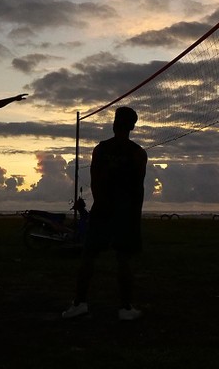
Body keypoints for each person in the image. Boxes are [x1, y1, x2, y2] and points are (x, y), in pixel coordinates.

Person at [63, 107, 148, 321]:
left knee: (89, 257)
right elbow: (139, 188)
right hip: (125, 212)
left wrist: (101, 206)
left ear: (114, 123)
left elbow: (95, 182)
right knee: (123, 260)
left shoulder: (101, 149)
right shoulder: (138, 153)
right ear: (132, 126)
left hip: (104, 209)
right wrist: (133, 216)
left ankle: (80, 303)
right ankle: (126, 309)